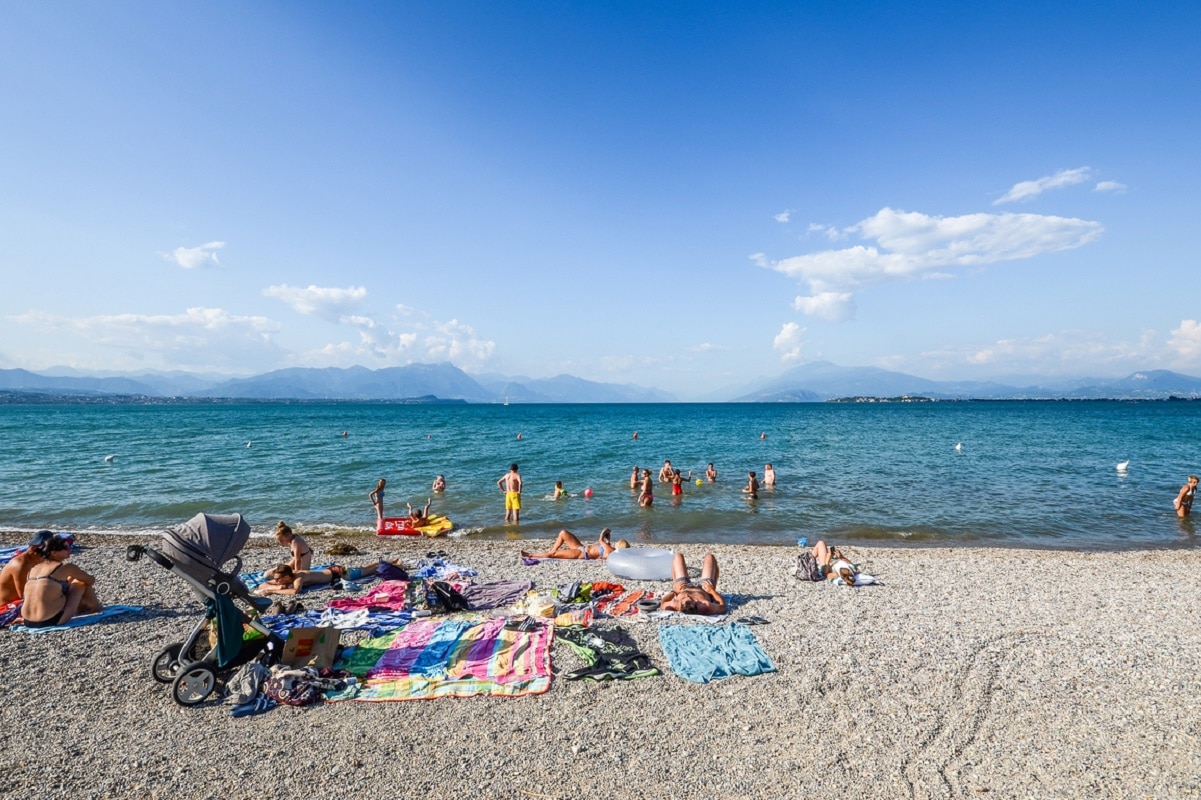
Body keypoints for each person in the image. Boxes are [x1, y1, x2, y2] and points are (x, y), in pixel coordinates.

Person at [20, 533, 101, 627]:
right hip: (51, 620)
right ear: (53, 553)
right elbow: (90, 580)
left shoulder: (34, 568)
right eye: (66, 548)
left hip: (28, 621)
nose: (70, 550)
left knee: (62, 583)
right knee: (80, 583)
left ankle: (83, 608)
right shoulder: (67, 567)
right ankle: (97, 608)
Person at [254, 560, 400, 596]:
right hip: (331, 570)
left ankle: (392, 564)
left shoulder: (298, 577)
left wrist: (274, 591)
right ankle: (389, 561)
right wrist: (274, 586)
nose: (277, 581)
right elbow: (263, 584)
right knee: (363, 569)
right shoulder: (287, 578)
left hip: (337, 573)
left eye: (279, 579)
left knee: (367, 572)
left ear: (286, 577)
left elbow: (295, 592)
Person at [658, 553, 725, 616]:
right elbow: (723, 607)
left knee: (678, 556)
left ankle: (675, 584)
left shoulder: (676, 604)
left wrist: (674, 592)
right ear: (695, 604)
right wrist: (712, 591)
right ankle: (713, 585)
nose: (687, 595)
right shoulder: (705, 606)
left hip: (683, 587)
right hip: (703, 589)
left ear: (681, 604)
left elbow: (662, 604)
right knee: (710, 557)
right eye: (691, 599)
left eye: (684, 597)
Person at [0, 530, 53, 605]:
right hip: (9, 605)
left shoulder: (35, 560)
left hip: (22, 599)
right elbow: (24, 596)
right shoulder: (20, 565)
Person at [520, 528, 629, 561]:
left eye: (618, 542)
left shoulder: (611, 552)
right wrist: (608, 537)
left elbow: (600, 540)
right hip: (581, 547)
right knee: (563, 533)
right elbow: (605, 545)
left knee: (553, 555)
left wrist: (602, 534)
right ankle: (553, 549)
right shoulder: (610, 549)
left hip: (581, 554)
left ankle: (530, 555)